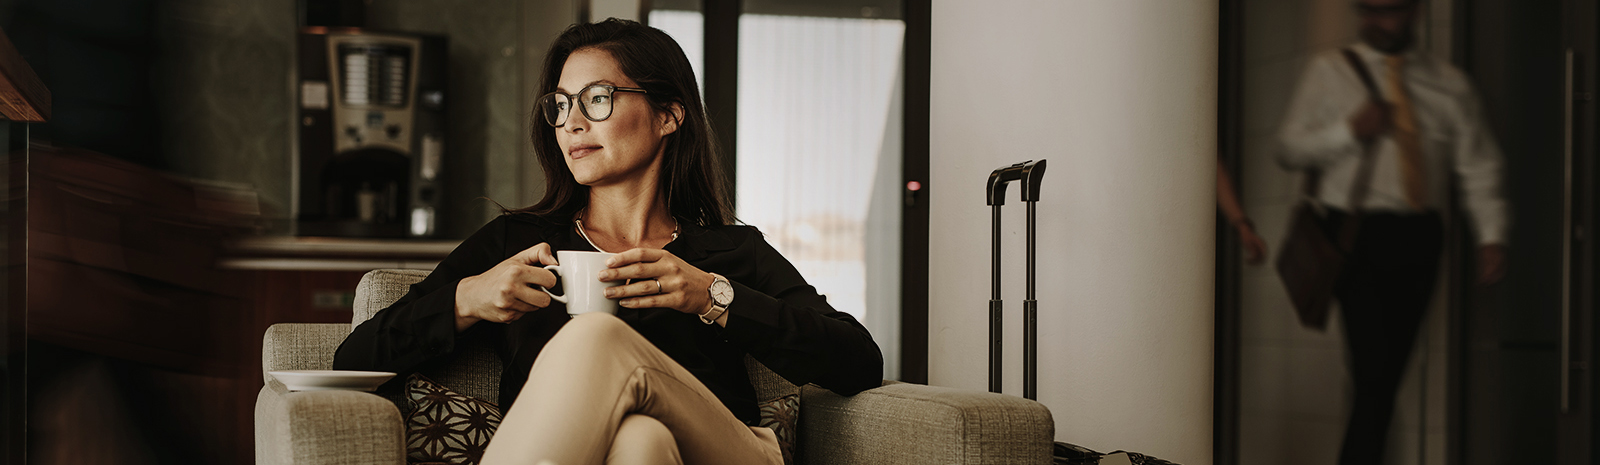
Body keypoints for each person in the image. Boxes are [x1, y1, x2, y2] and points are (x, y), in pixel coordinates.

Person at [332, 19, 883, 465]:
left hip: (728, 454)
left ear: (668, 115)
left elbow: (859, 361)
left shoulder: (727, 253)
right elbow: (351, 358)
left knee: (597, 336)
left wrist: (711, 297)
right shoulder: (518, 243)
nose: (571, 122)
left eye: (597, 99)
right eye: (561, 104)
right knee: (640, 441)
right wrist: (466, 299)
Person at [1276, 0, 1508, 463]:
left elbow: (1478, 164)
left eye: (1387, 10)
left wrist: (1491, 234)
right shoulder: (1330, 70)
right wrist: (1348, 131)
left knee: (1381, 378)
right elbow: (1288, 149)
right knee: (1374, 374)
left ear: (1415, 12)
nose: (1374, 21)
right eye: (1366, 10)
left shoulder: (1450, 85)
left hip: (1420, 237)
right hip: (1354, 235)